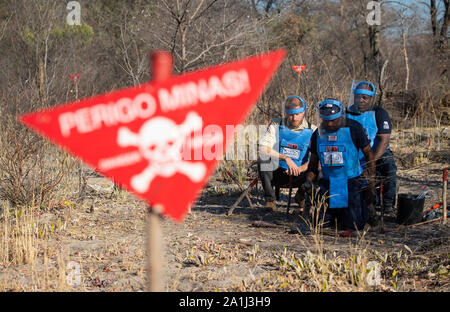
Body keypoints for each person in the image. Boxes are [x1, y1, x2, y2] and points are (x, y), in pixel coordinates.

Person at [305, 98, 376, 231]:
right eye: (326, 121)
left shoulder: (354, 128)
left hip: (351, 181)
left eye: (333, 120)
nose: (330, 124)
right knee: (318, 224)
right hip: (328, 182)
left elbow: (369, 155)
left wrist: (371, 185)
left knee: (352, 226)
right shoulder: (317, 134)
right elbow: (313, 163)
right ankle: (335, 213)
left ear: (341, 116)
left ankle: (364, 210)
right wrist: (309, 181)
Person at [258, 95, 317, 212]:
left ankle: (301, 195)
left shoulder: (313, 129)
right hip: (279, 171)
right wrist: (285, 158)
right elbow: (263, 148)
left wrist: (301, 168)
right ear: (286, 113)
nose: (294, 118)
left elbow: (317, 156)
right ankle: (270, 200)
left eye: (297, 114)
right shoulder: (276, 124)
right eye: (290, 114)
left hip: (301, 174)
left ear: (303, 112)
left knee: (319, 169)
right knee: (263, 160)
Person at [347, 81, 397, 215]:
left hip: (376, 153)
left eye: (365, 97)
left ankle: (388, 203)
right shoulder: (347, 113)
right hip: (353, 154)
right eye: (358, 96)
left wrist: (371, 162)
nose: (361, 100)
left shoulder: (379, 113)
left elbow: (384, 140)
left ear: (371, 98)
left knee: (389, 165)